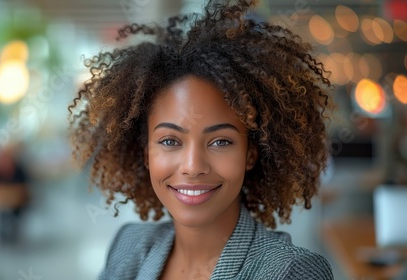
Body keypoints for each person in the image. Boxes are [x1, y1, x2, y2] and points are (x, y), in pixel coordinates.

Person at [69, 0, 334, 279]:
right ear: (146, 153)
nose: (193, 166)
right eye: (170, 141)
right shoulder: (129, 245)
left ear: (250, 154)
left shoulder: (290, 271)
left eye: (220, 141)